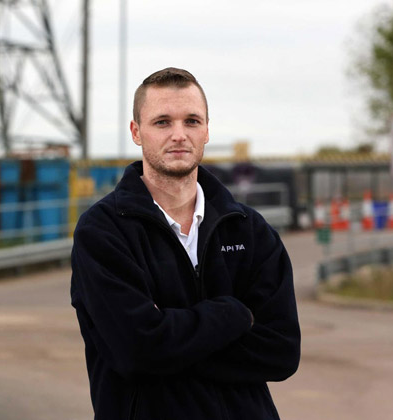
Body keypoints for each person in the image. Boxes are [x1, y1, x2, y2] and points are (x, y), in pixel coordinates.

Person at [71, 67, 300, 420]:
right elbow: (136, 351)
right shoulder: (103, 232)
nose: (179, 135)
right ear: (136, 131)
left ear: (206, 130)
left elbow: (281, 352)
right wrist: (233, 314)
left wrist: (166, 337)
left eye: (191, 121)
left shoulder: (249, 230)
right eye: (162, 122)